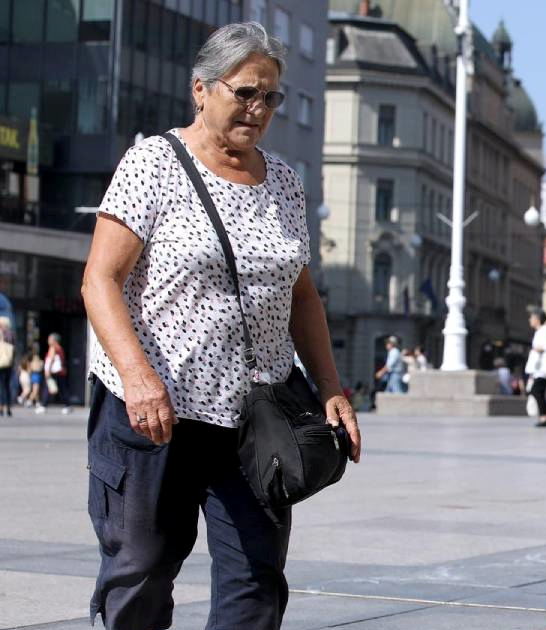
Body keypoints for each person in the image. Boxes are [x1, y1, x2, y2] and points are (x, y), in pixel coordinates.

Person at [79, 23, 361, 630]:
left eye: (271, 98)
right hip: (154, 411)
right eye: (245, 93)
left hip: (254, 417)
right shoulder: (153, 163)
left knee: (256, 581)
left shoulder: (283, 179)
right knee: (142, 572)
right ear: (201, 90)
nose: (258, 109)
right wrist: (137, 376)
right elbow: (99, 280)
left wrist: (332, 389)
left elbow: (301, 295)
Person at [42, 333, 70, 414]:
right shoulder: (59, 348)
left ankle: (44, 405)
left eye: (49, 339)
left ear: (54, 340)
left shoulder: (53, 348)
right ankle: (67, 405)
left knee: (49, 387)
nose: (48, 341)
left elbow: (51, 359)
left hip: (55, 372)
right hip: (60, 372)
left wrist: (48, 370)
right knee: (61, 388)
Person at [0, 318, 12, 417]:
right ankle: (8, 407)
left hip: (1, 363)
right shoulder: (11, 334)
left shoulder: (2, 333)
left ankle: (1, 407)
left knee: (1, 386)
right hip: (8, 363)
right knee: (6, 386)